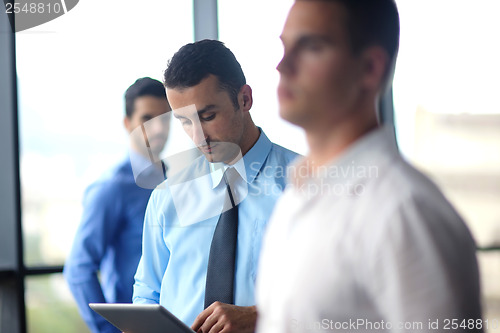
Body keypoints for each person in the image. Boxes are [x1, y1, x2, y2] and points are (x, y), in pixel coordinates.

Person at [256, 1, 482, 332]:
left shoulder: (404, 211)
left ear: (370, 69)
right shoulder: (296, 195)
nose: (282, 65)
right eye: (285, 47)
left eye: (312, 47)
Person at [133, 39, 298, 333]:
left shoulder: (308, 188)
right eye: (184, 121)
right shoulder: (167, 195)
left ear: (244, 99)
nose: (198, 137)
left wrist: (260, 316)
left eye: (208, 117)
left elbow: (343, 296)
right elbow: (148, 289)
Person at [64, 77, 171, 333]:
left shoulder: (178, 182)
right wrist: (110, 330)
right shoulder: (112, 188)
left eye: (165, 119)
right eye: (147, 119)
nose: (158, 129)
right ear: (127, 124)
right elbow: (79, 269)